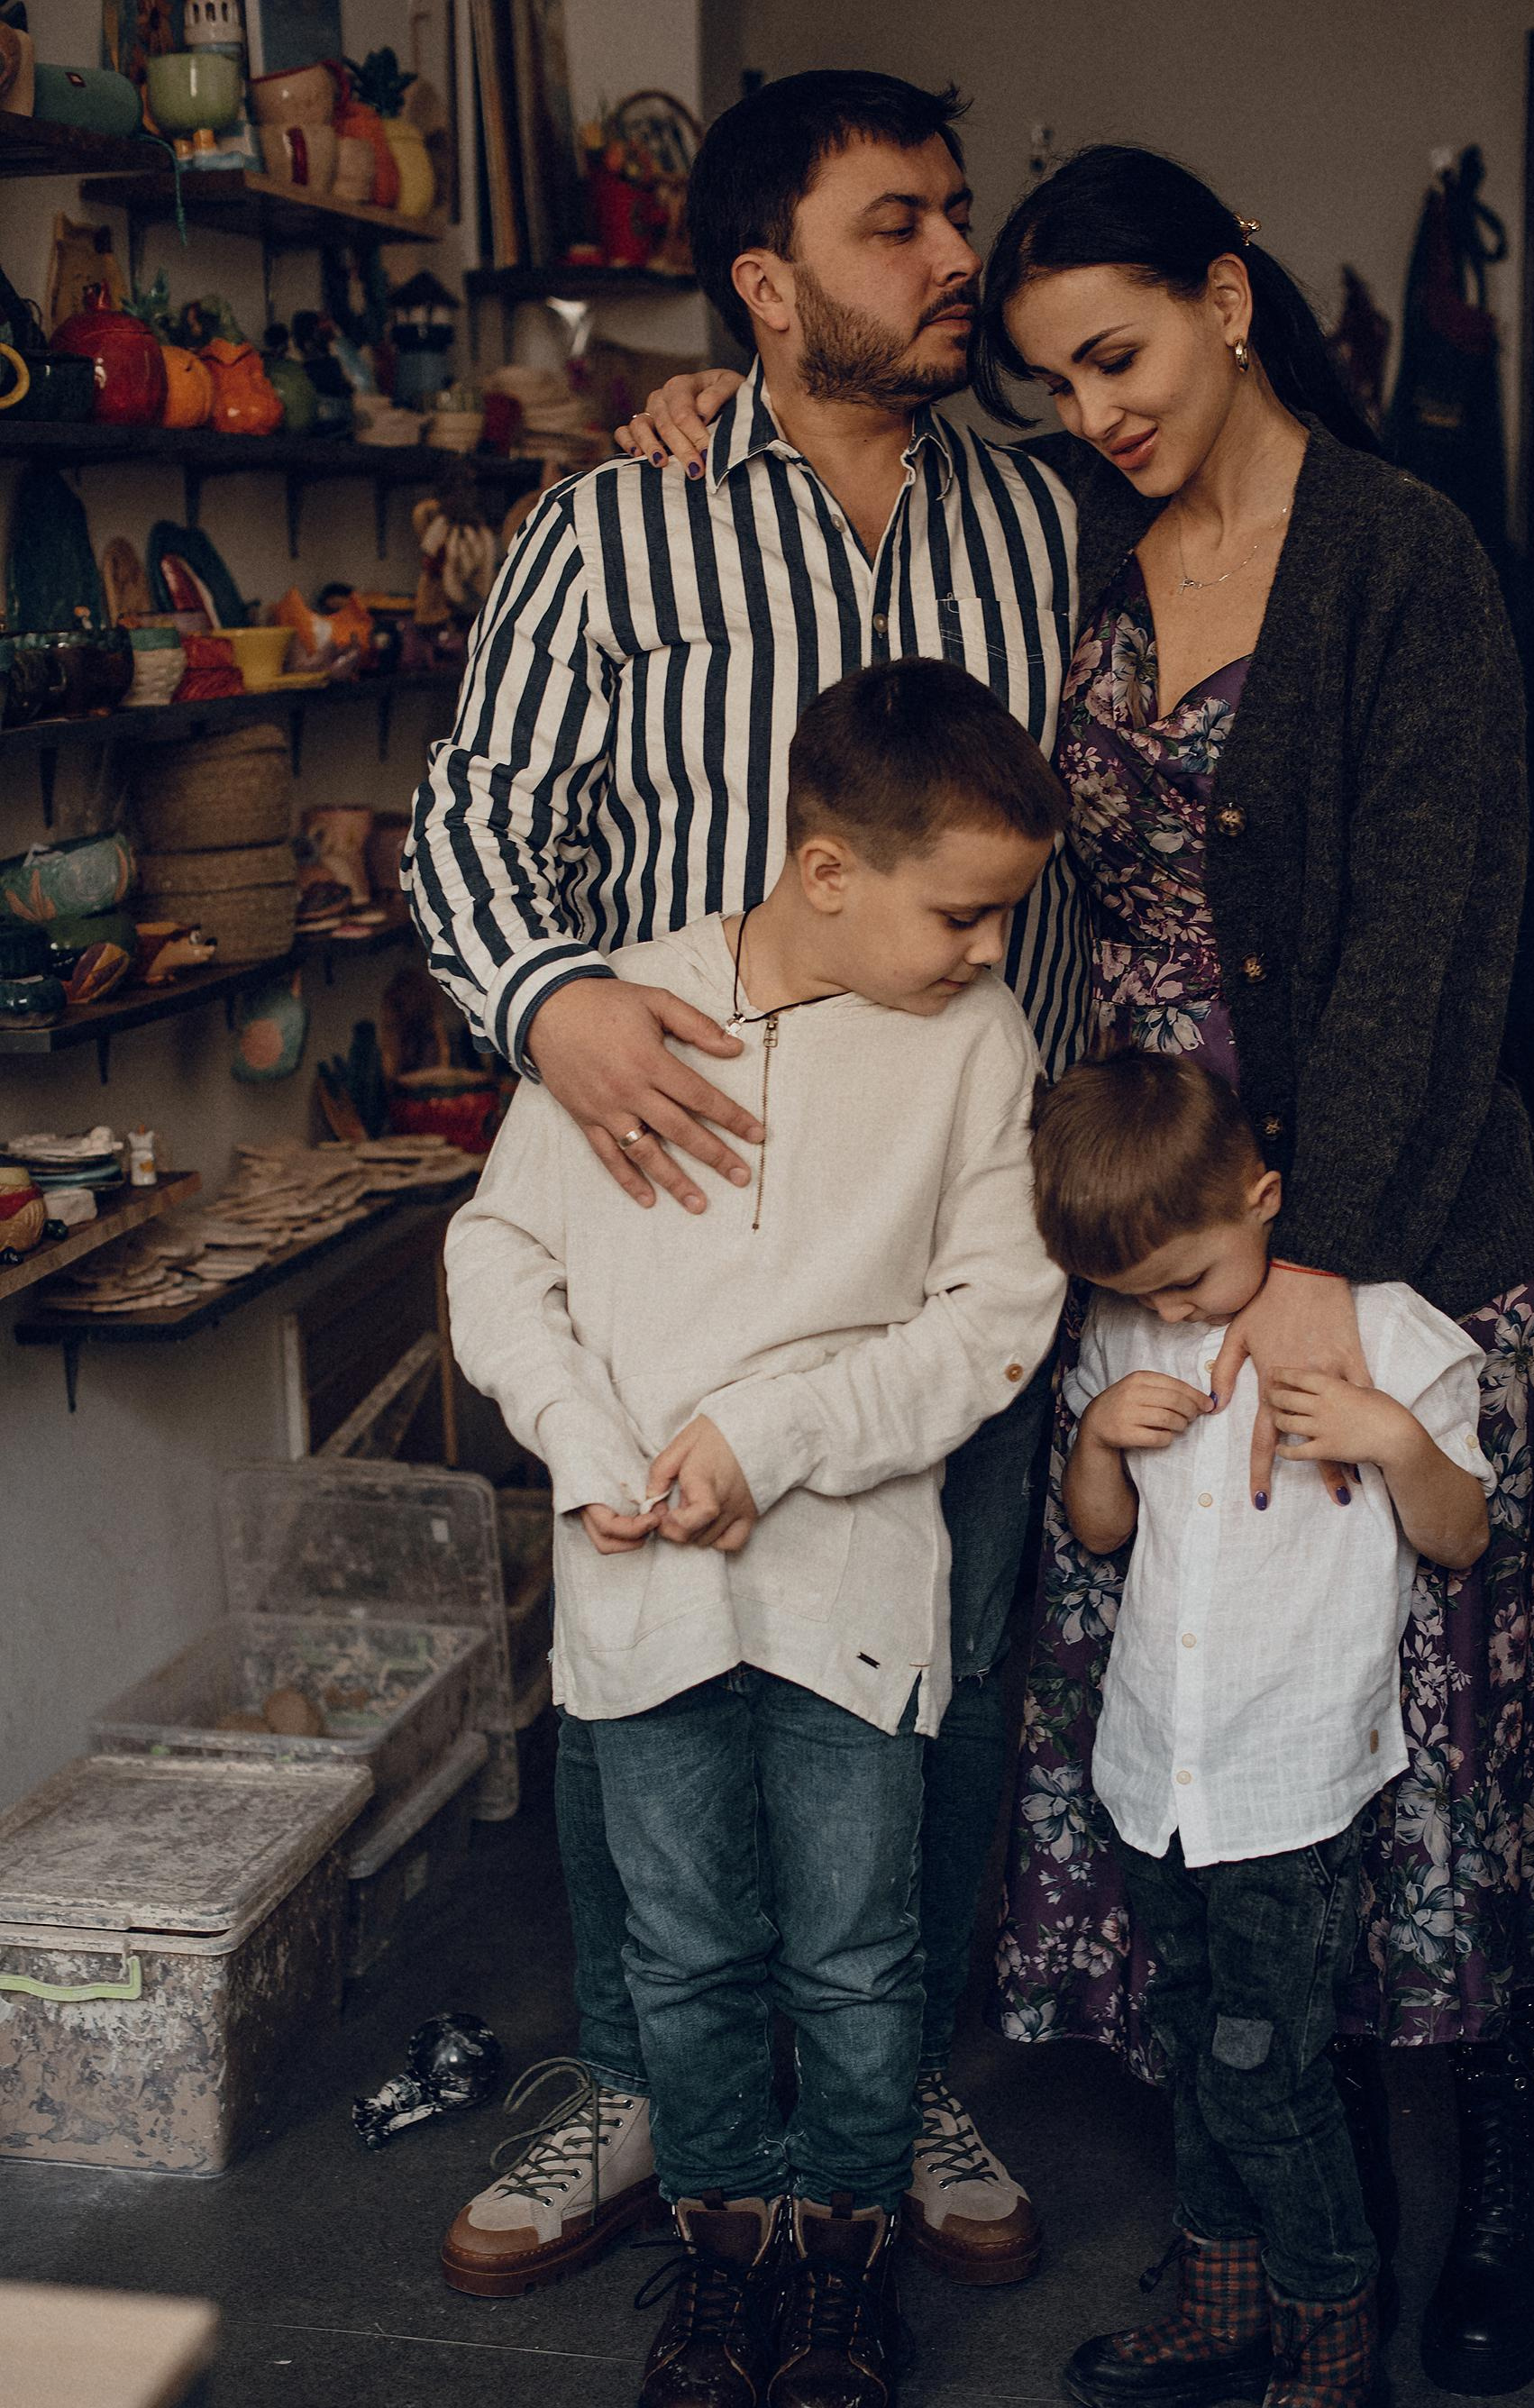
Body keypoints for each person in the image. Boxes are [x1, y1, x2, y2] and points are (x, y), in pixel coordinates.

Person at [599, 131, 1534, 2394]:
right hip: (1132, 1227)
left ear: (1232, 297)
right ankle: (1274, 2217)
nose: (1099, 411)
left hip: (1379, 1228)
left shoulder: (1403, 561)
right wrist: (692, 400)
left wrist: (1302, 1266)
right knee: (1221, 1725)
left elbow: (1439, 954)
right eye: (1059, 377)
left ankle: (1508, 2182)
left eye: (1126, 353)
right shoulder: (1066, 538)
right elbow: (845, 524)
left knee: (1434, 1730)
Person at [408, 69, 1100, 2295]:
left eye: (956, 214)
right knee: (645, 1692)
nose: (955, 258)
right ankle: (643, 2084)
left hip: (939, 1224)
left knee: (943, 1675)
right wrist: (551, 1005)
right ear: (764, 283)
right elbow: (469, 819)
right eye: (897, 225)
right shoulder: (622, 522)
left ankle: (886, 2085)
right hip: (660, 1226)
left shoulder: (1046, 516)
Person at [443, 659, 1069, 2408]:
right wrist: (584, 1437)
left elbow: (994, 1324)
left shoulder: (977, 1048)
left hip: (857, 1592)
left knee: (865, 1955)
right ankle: (720, 2252)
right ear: (822, 872)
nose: (984, 948)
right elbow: (500, 1261)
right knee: (688, 1950)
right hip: (637, 1586)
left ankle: (839, 2257)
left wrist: (773, 1443)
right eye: (960, 911)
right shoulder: (623, 1010)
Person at [1030, 1048, 1493, 2408]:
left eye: (1192, 1276)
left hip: (1289, 1784)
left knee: (1271, 2069)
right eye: (1145, 1293)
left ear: (1265, 1199)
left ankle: (1326, 2339)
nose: (1172, 1312)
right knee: (1195, 2039)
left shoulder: (1385, 1332)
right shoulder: (1127, 1332)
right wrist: (1097, 1438)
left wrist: (1395, 1439)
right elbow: (1098, 1536)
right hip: (1153, 1769)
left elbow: (1465, 1534)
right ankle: (1227, 2311)